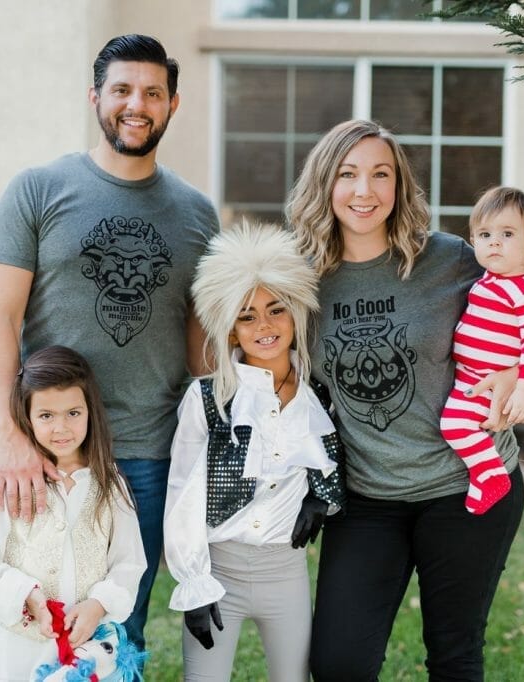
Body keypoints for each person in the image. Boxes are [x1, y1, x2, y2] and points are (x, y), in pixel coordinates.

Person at [0, 34, 219, 650]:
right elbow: (1, 321)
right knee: (33, 625)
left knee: (115, 633)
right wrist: (11, 437)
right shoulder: (36, 190)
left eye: (152, 93)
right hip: (51, 452)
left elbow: (200, 354)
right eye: (121, 90)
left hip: (146, 455)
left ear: (172, 105)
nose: (136, 104)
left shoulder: (196, 214)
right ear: (95, 97)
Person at [286, 119, 524, 681]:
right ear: (325, 184)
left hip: (466, 482)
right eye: (348, 175)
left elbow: (522, 302)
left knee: (454, 655)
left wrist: (517, 369)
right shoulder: (299, 277)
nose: (364, 191)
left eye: (380, 174)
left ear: (399, 185)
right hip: (368, 496)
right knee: (339, 664)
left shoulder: (451, 258)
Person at [164, 222, 345, 682]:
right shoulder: (207, 399)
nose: (264, 326)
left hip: (286, 572)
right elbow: (183, 493)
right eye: (247, 316)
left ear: (296, 313)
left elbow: (333, 456)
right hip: (219, 568)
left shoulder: (317, 394)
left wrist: (322, 495)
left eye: (276, 309)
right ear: (230, 331)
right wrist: (194, 582)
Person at [0, 345, 147, 682]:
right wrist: (25, 594)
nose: (61, 427)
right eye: (46, 415)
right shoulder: (12, 484)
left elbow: (129, 562)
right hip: (20, 645)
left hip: (85, 644)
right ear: (27, 418)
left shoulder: (110, 485)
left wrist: (98, 605)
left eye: (73, 413)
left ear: (90, 412)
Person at [440, 186, 524, 515]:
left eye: (507, 234)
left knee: (454, 426)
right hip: (470, 376)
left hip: (487, 382)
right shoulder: (488, 280)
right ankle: (485, 473)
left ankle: (489, 474)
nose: (494, 242)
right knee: (457, 425)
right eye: (484, 234)